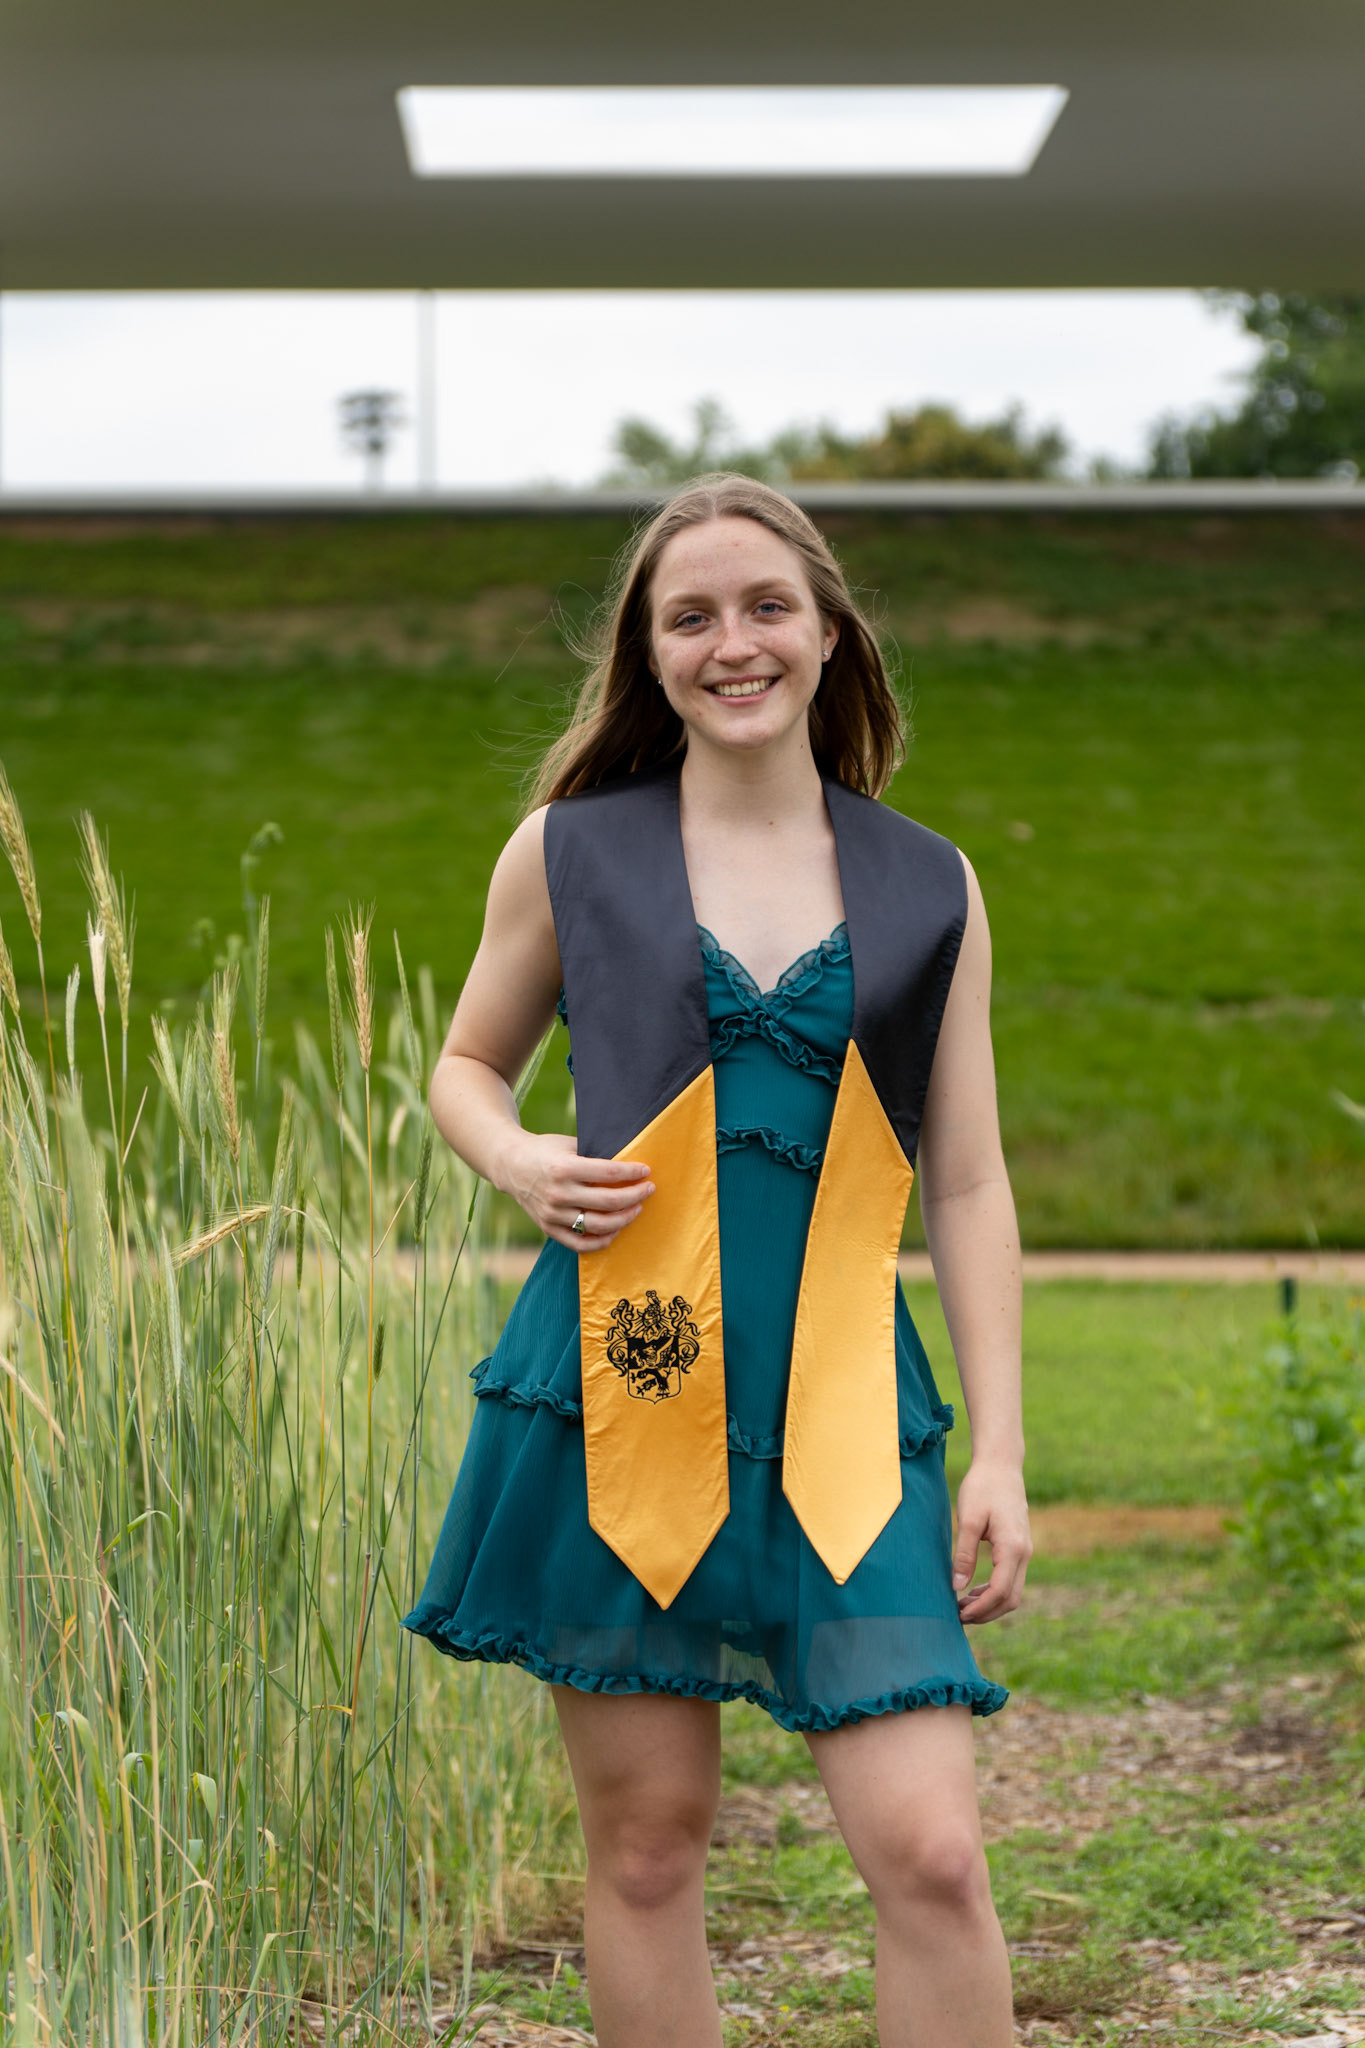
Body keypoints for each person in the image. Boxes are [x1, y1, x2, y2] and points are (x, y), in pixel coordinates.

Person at [403, 473, 1031, 2048]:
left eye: (765, 607)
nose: (730, 642)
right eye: (689, 616)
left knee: (932, 1855)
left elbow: (965, 1181)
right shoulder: (566, 852)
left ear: (829, 635)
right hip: (621, 1387)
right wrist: (518, 1158)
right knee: (645, 1846)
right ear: (648, 653)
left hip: (843, 1410)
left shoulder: (930, 882)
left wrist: (1003, 1451)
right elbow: (465, 1068)